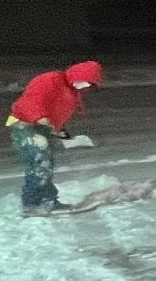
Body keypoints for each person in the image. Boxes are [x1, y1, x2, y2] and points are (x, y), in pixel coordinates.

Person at [6, 60, 104, 214]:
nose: (86, 86)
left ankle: (47, 201)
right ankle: (32, 205)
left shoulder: (71, 91)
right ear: (77, 75)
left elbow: (58, 115)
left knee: (46, 165)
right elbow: (30, 102)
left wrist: (63, 134)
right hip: (26, 124)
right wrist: (43, 120)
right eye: (85, 81)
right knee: (40, 165)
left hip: (42, 127)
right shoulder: (50, 80)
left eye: (89, 84)